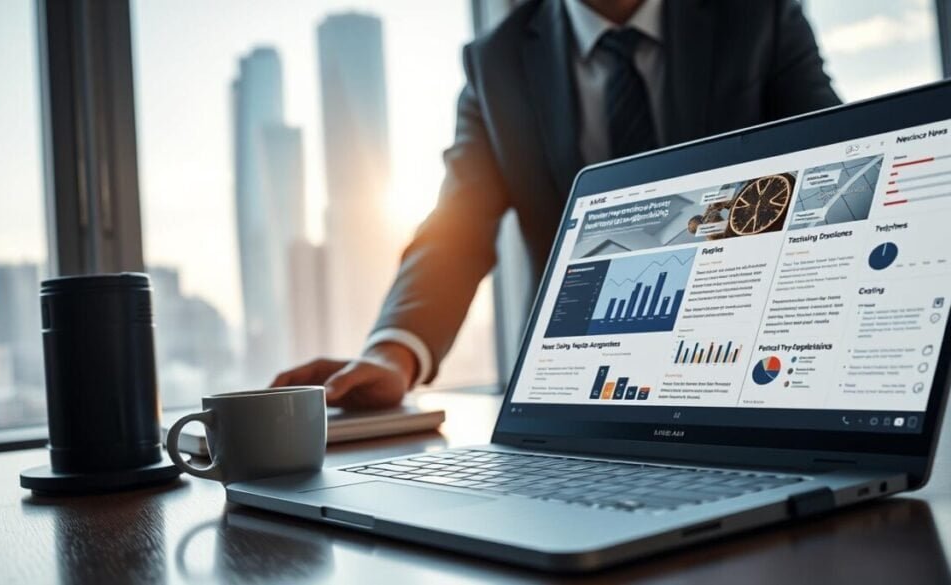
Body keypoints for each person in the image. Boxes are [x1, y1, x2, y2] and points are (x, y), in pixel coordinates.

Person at [272, 0, 841, 409]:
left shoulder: (758, 15)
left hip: (750, 368)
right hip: (579, 388)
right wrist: (394, 352)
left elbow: (838, 161)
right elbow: (457, 229)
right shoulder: (497, 63)